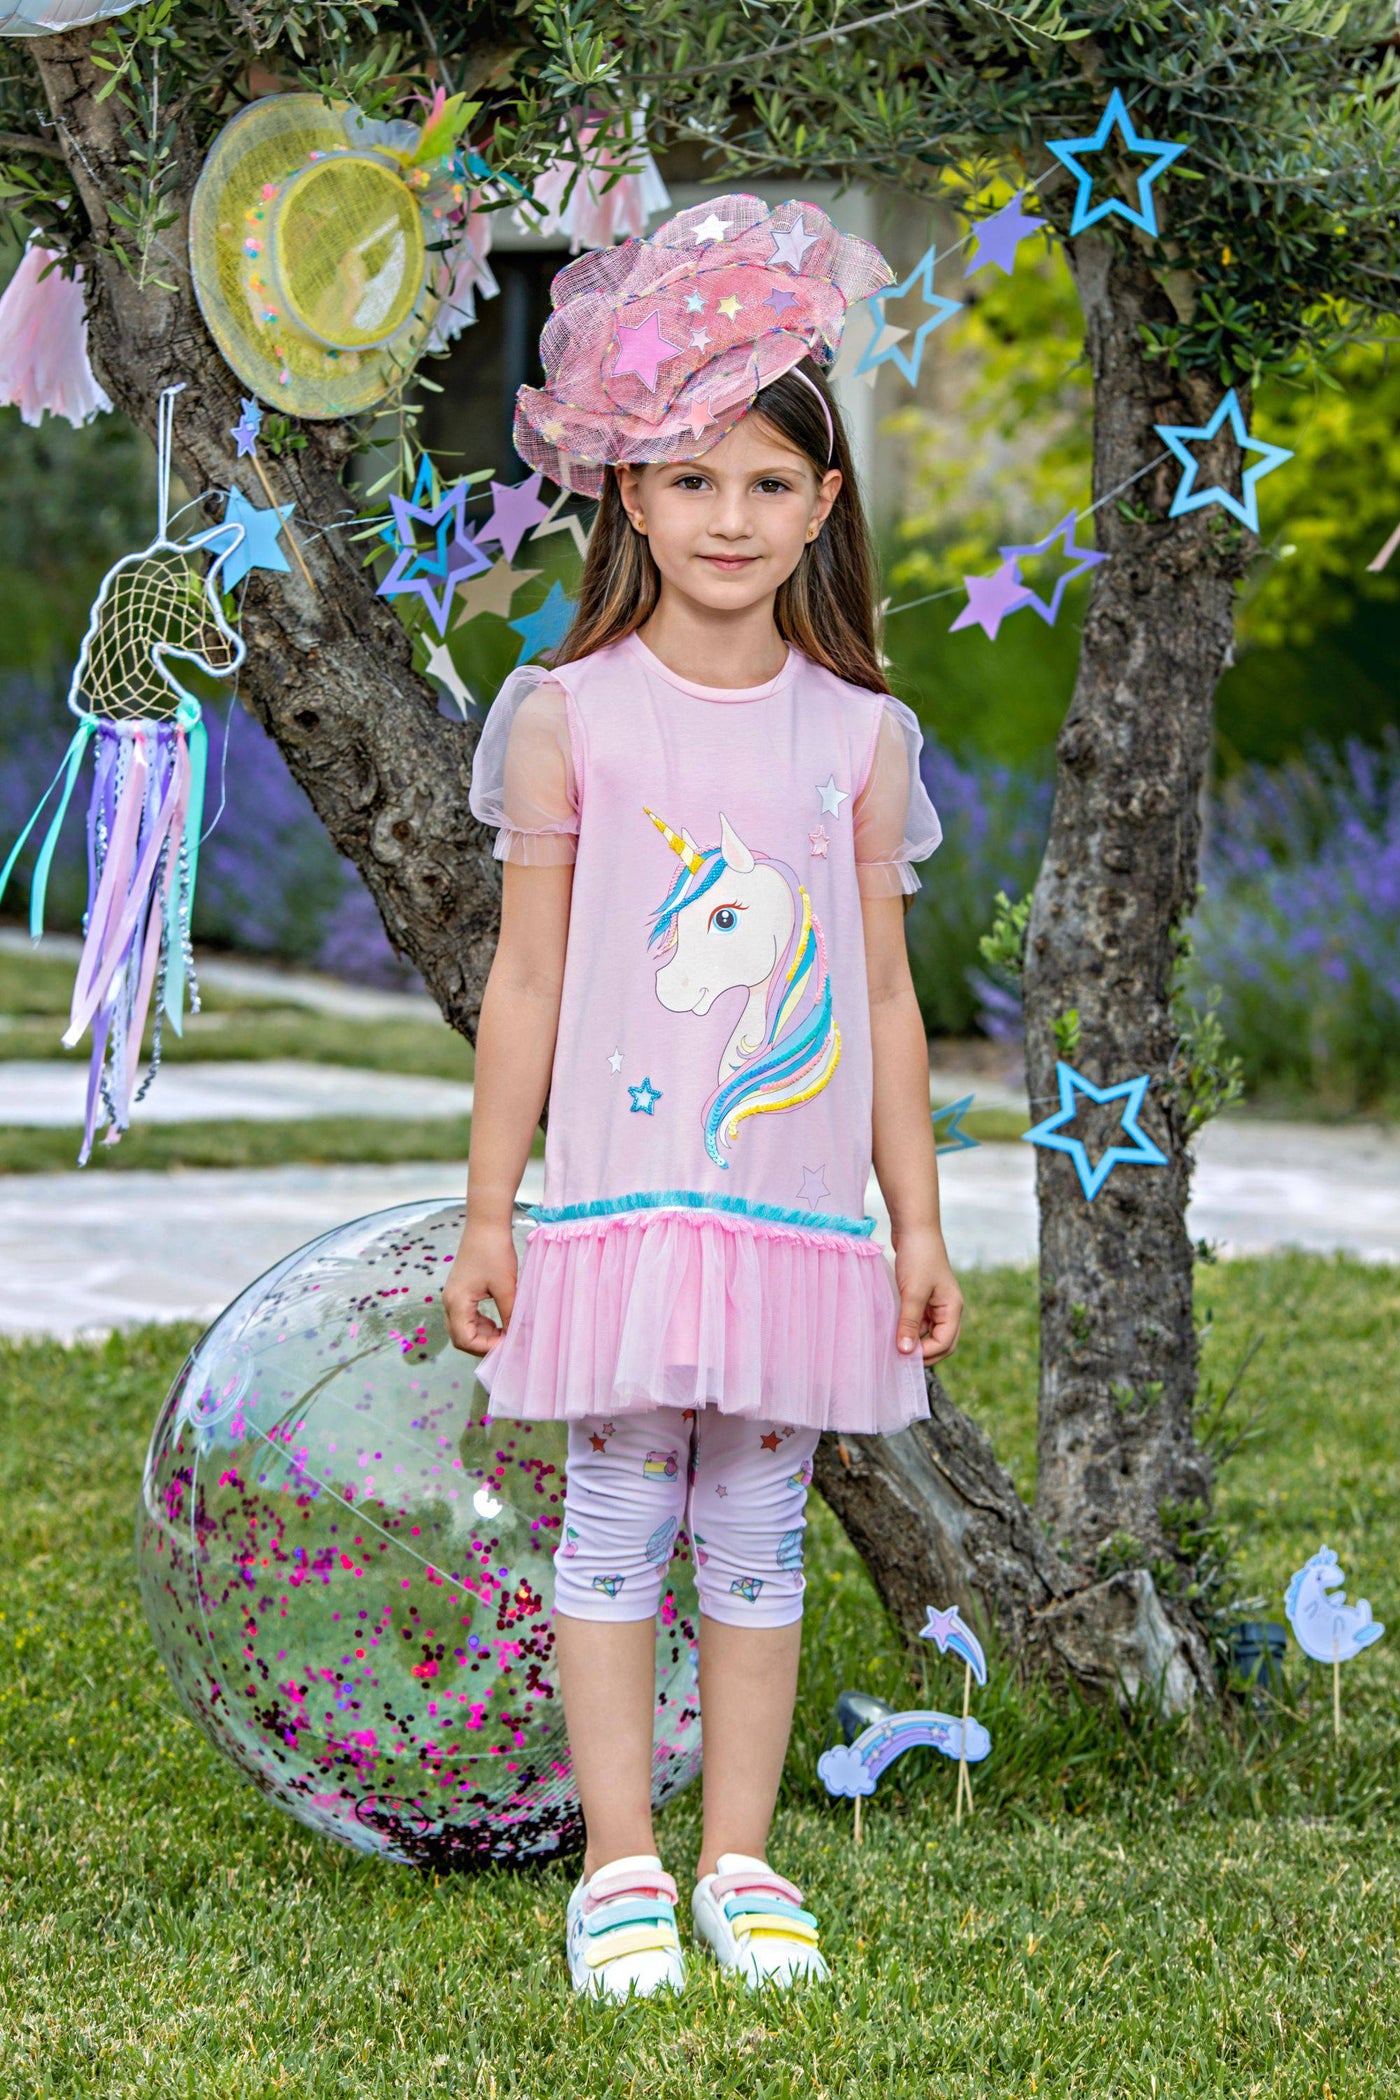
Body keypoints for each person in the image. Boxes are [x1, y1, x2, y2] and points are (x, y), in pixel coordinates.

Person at [443, 193, 963, 2001]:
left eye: (765, 483)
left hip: (794, 1218)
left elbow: (882, 998)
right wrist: (494, 1207)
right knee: (614, 1519)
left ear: (822, 505)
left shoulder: (858, 738)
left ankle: (740, 1859)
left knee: (756, 1531)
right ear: (630, 498)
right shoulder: (571, 716)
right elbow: (526, 982)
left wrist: (917, 1218)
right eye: (690, 480)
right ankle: (621, 1866)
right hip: (617, 1207)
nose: (727, 518)